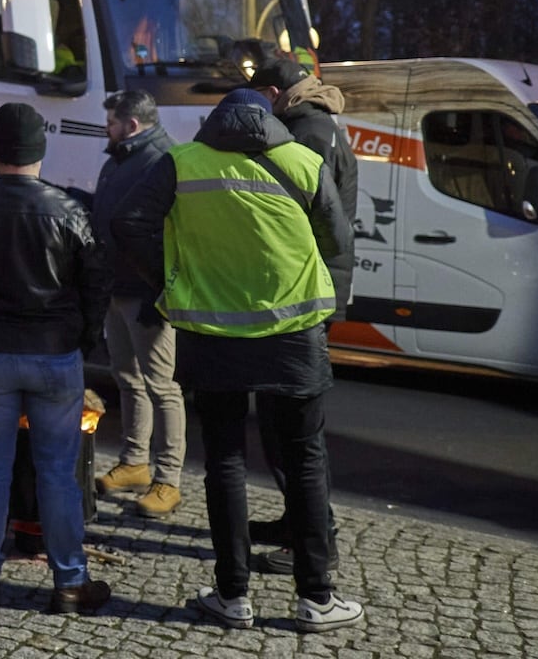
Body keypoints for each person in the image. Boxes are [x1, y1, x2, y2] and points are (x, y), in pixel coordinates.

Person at [111, 88, 363, 633]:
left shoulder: (182, 162)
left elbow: (128, 223)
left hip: (213, 331)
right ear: (268, 120)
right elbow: (339, 238)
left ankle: (233, 595)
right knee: (305, 461)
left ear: (213, 121)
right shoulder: (302, 159)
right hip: (295, 334)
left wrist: (170, 281)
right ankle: (316, 598)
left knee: (225, 461)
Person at [0, 103, 113, 614]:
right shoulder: (70, 211)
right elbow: (96, 281)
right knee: (58, 472)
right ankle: (70, 584)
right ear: (40, 152)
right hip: (55, 355)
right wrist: (83, 338)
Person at [247, 57, 358, 574]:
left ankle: (314, 540)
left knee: (290, 425)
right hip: (312, 291)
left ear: (273, 91)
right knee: (285, 421)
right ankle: (299, 523)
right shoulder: (320, 124)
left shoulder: (304, 134)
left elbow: (296, 219)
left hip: (299, 295)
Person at [89, 89, 185, 519]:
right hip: (117, 288)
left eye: (111, 123)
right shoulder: (120, 160)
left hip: (146, 293)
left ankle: (169, 480)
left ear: (130, 125)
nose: (105, 131)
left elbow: (173, 234)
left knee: (162, 386)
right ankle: (134, 463)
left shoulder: (164, 161)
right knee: (128, 378)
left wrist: (161, 291)